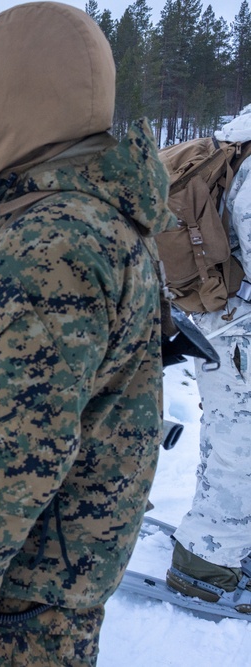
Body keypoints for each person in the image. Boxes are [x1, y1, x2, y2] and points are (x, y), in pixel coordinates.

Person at [0, 4, 173, 665]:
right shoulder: (71, 216)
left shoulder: (50, 245)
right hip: (46, 562)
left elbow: (21, 451)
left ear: (15, 97)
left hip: (27, 584)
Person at [166, 110, 251, 608]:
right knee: (239, 453)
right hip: (240, 332)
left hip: (227, 327)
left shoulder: (237, 148)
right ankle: (204, 564)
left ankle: (231, 544)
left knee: (231, 442)